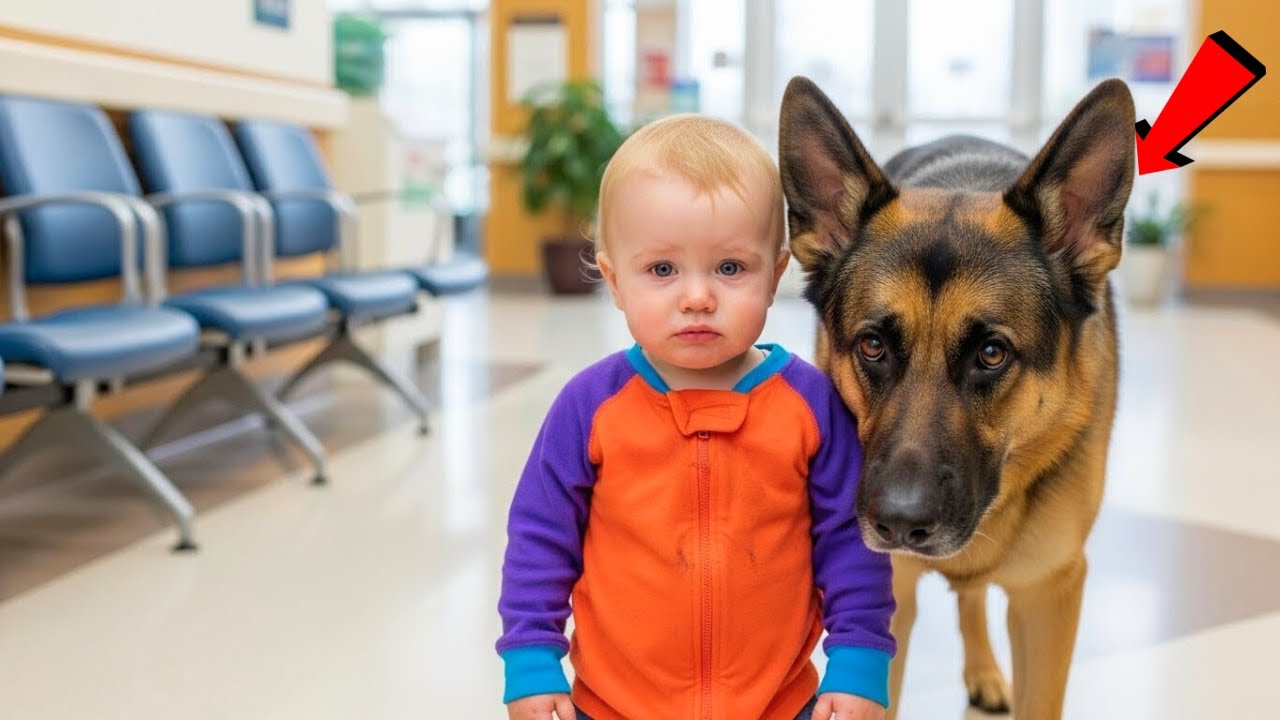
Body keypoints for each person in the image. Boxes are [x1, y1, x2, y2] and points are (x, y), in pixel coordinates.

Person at [496, 114, 895, 720]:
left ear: (776, 275)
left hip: (780, 705)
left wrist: (860, 663)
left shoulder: (813, 406)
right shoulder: (589, 406)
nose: (698, 297)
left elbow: (851, 541)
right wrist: (530, 660)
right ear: (615, 281)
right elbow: (540, 538)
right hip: (610, 706)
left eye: (731, 268)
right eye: (662, 270)